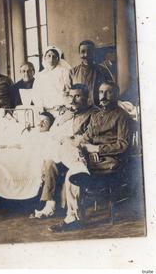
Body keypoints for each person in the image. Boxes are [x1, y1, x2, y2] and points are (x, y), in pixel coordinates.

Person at [49, 81, 131, 232]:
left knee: (71, 174)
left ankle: (73, 218)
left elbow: (123, 145)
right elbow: (87, 138)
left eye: (108, 92)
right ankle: (80, 167)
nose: (103, 96)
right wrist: (83, 147)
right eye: (100, 92)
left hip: (110, 160)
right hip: (91, 158)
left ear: (116, 95)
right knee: (67, 147)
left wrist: (97, 149)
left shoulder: (122, 116)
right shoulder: (97, 115)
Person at [32, 84, 97, 219]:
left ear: (87, 97)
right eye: (71, 96)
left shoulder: (93, 113)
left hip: (82, 151)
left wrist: (71, 139)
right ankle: (50, 205)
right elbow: (54, 132)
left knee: (61, 157)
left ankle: (73, 213)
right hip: (65, 150)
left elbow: (92, 136)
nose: (73, 100)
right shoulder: (68, 113)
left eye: (77, 96)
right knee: (50, 163)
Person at [68, 40, 113, 106]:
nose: (86, 55)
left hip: (99, 109)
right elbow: (68, 93)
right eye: (83, 52)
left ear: (94, 53)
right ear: (79, 54)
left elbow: (111, 90)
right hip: (80, 109)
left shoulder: (103, 70)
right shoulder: (73, 72)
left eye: (89, 52)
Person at [32, 46, 71, 113]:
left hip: (61, 108)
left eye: (54, 56)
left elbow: (69, 90)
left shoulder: (64, 72)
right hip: (45, 109)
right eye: (49, 56)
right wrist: (40, 107)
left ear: (58, 58)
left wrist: (65, 105)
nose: (51, 59)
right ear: (44, 57)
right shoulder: (40, 75)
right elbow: (36, 94)